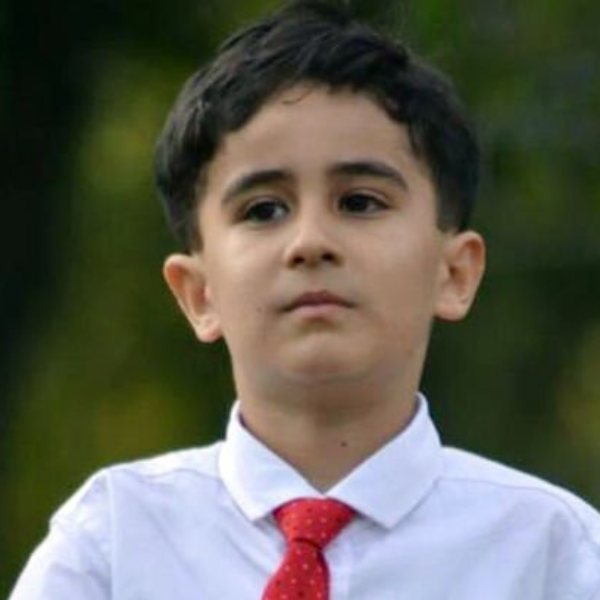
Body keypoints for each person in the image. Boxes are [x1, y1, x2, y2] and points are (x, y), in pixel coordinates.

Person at [10, 1, 600, 598]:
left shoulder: (554, 553)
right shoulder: (111, 544)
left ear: (454, 273)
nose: (311, 241)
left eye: (360, 202)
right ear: (199, 293)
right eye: (263, 210)